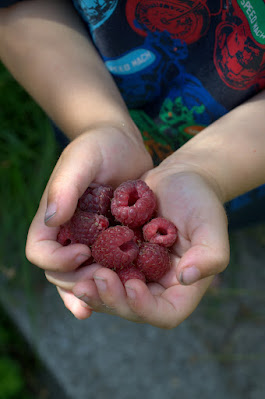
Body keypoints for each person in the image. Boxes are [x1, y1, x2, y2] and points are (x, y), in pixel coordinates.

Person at [1, 0, 265, 329]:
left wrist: (207, 172)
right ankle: (191, 254)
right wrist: (98, 123)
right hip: (89, 97)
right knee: (199, 224)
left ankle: (191, 256)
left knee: (210, 220)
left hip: (244, 164)